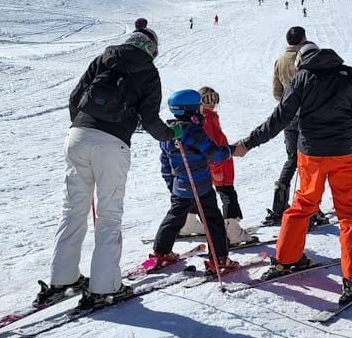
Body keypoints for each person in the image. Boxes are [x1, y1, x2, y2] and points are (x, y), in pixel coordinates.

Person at [234, 42, 352, 304]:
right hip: (345, 152)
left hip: (311, 154)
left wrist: (248, 143)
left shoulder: (301, 78)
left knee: (302, 205)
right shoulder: (346, 74)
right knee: (350, 214)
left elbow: (280, 117)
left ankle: (287, 259)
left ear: (302, 60)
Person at [37, 26, 173, 309]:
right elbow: (149, 119)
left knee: (73, 210)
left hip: (77, 136)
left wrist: (84, 126)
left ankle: (62, 278)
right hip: (111, 145)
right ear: (152, 49)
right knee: (109, 215)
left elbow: (75, 98)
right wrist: (170, 135)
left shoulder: (104, 58)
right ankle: (105, 286)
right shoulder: (148, 71)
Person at [150, 90, 238, 274]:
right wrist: (232, 150)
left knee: (175, 217)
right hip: (201, 187)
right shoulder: (195, 132)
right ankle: (219, 259)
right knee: (212, 220)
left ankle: (161, 251)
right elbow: (215, 154)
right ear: (192, 110)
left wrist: (171, 184)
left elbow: (165, 162)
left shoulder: (168, 134)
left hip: (180, 187)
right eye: (199, 106)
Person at [264, 27, 327, 229]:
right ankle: (309, 207)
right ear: (304, 39)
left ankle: (279, 203)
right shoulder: (310, 58)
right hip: (309, 116)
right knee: (310, 161)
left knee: (292, 158)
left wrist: (287, 104)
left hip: (288, 116)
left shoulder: (280, 61)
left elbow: (277, 91)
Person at [197, 87, 252, 245]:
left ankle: (189, 223)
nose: (212, 103)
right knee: (228, 194)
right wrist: (217, 169)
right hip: (219, 165)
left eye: (215, 98)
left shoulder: (209, 117)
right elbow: (211, 148)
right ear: (199, 101)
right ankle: (233, 233)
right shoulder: (206, 120)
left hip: (220, 163)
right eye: (207, 99)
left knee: (203, 194)